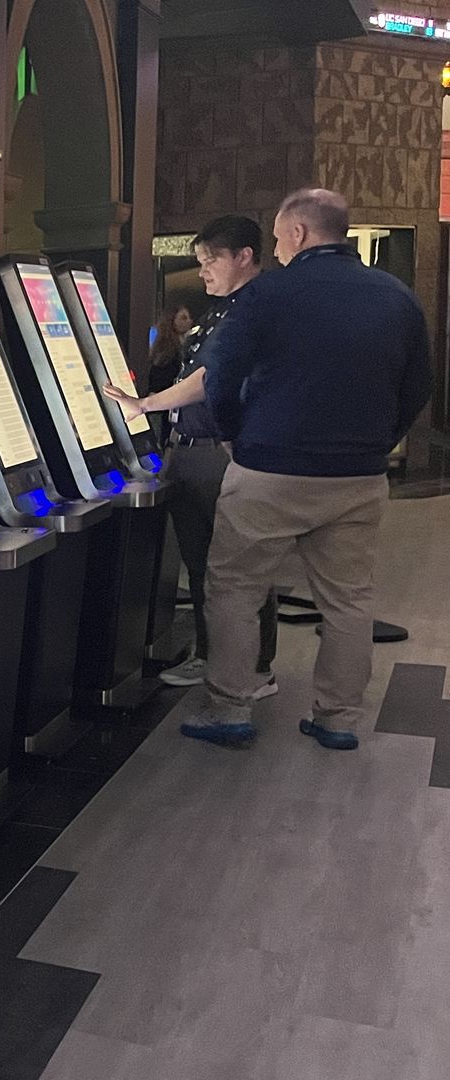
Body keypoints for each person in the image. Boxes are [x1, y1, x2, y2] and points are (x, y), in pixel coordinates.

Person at [185, 189, 432, 750]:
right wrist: (375, 443)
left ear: (297, 233)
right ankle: (337, 718)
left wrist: (232, 434)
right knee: (348, 600)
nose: (274, 247)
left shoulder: (268, 293)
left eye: (276, 237)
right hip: (359, 477)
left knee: (234, 590)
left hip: (270, 468)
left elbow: (222, 374)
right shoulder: (397, 297)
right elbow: (418, 385)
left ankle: (228, 709)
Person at [106, 215, 278, 703]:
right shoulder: (219, 311)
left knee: (242, 570)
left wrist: (144, 405)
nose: (202, 272)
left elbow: (209, 377)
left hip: (223, 454)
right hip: (188, 452)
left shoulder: (254, 311)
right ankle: (210, 654)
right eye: (199, 262)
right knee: (202, 566)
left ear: (244, 257)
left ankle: (257, 668)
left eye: (210, 261)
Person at [144, 305, 193, 444]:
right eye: (183, 318)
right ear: (172, 321)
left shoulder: (178, 347)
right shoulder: (168, 351)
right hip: (164, 406)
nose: (189, 321)